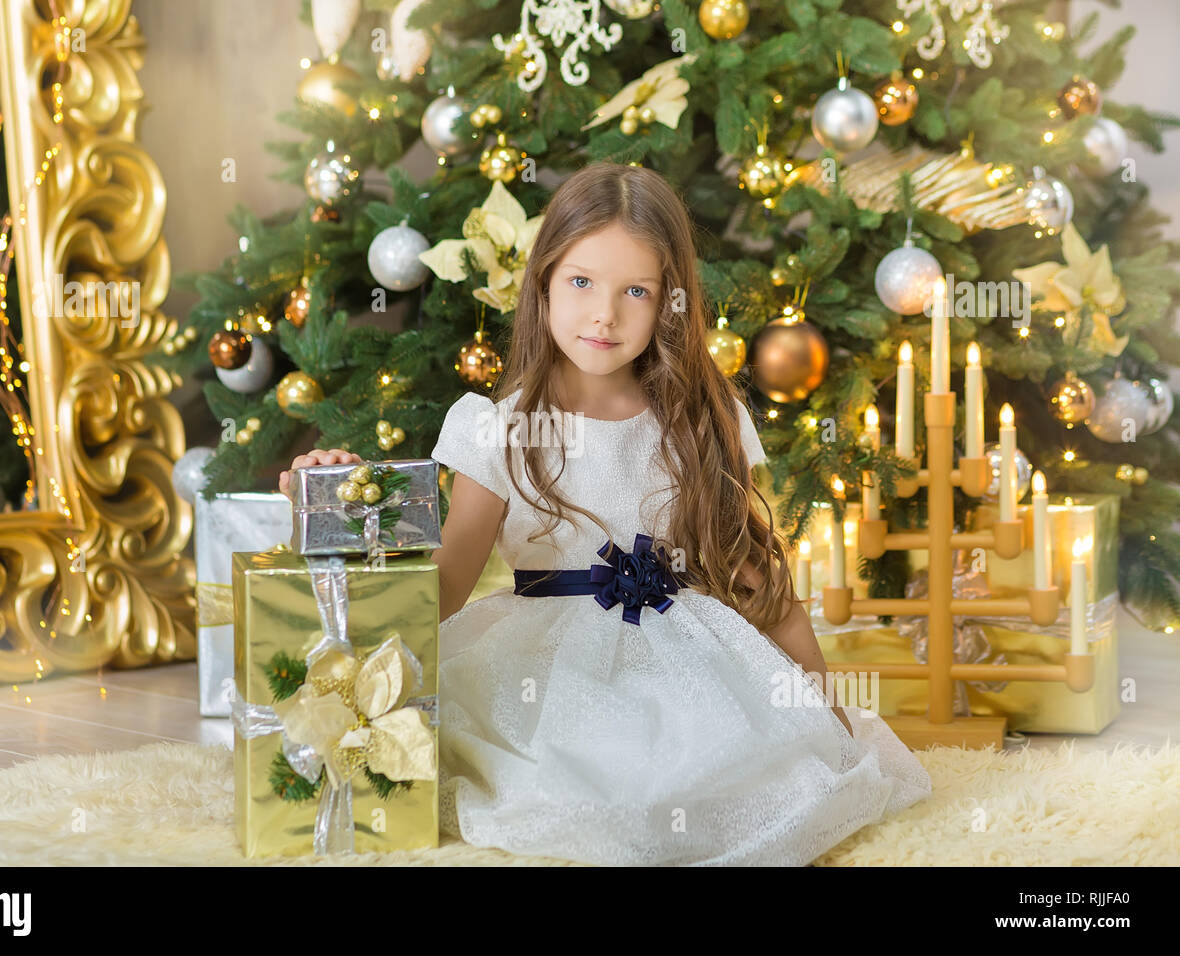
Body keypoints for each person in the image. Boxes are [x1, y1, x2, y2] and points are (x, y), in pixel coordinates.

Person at [280, 161, 931, 866]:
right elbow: (443, 589)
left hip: (688, 664)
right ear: (544, 284)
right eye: (582, 282)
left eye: (637, 292)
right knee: (583, 792)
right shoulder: (495, 429)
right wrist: (345, 508)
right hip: (544, 671)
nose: (605, 314)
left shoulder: (701, 423)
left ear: (669, 304)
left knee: (738, 784)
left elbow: (761, 589)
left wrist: (826, 716)